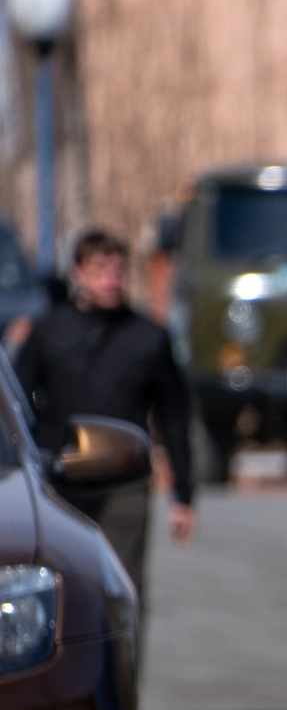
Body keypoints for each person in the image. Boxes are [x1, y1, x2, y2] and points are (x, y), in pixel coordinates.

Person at [13, 228, 195, 605]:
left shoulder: (149, 337)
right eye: (99, 270)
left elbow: (173, 414)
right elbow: (16, 404)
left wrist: (183, 495)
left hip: (123, 483)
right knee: (63, 596)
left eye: (117, 270)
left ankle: (123, 664)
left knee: (123, 593)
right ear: (77, 273)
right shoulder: (49, 331)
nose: (110, 280)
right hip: (58, 484)